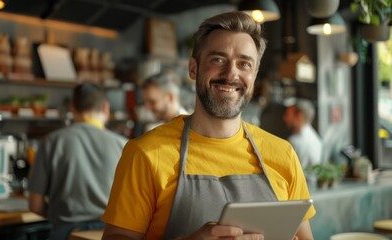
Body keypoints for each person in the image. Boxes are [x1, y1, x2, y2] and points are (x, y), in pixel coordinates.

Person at [101, 11, 315, 239]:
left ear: (254, 75)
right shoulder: (145, 154)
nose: (231, 73)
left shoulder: (283, 154)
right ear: (193, 68)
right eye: (218, 59)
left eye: (244, 64)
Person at [28, 83, 127, 240]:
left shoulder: (51, 142)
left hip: (65, 233)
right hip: (108, 234)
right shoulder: (124, 145)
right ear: (105, 107)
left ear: (72, 108)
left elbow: (35, 205)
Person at [283, 98, 323, 169]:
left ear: (299, 117)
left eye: (288, 114)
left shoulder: (295, 141)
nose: (284, 118)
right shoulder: (315, 137)